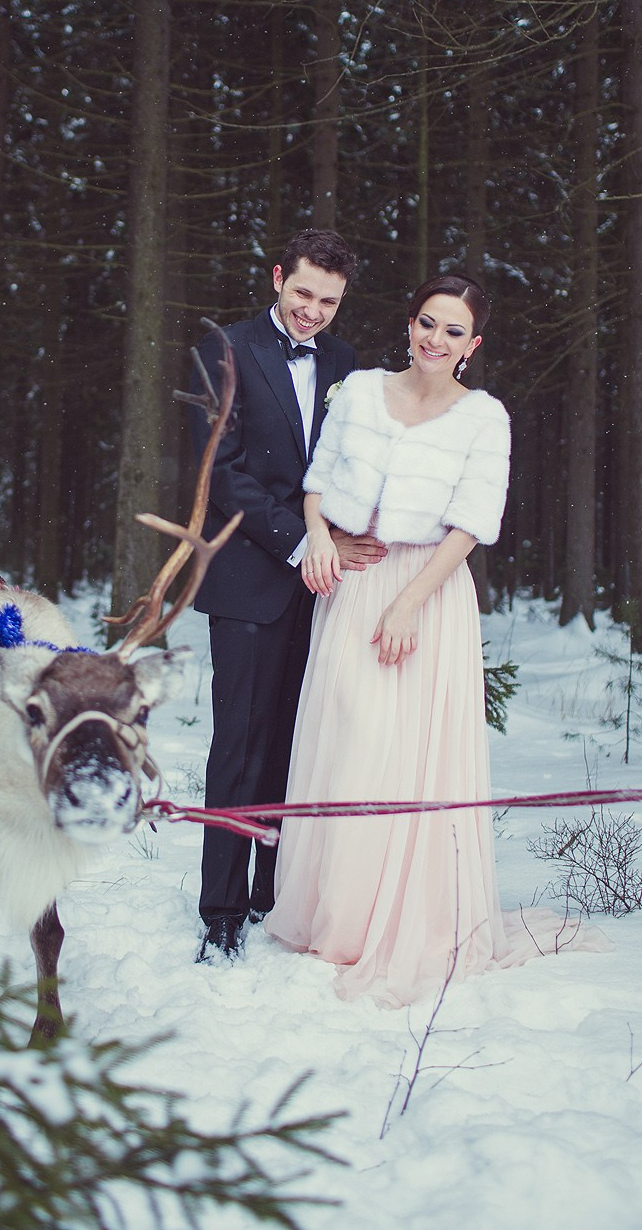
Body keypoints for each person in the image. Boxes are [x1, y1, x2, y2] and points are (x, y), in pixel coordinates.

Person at [267, 273, 577, 1006]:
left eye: (453, 331)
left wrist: (408, 604)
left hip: (429, 595)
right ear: (409, 324)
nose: (436, 340)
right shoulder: (363, 392)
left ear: (474, 345)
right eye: (427, 324)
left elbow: (472, 523)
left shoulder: (484, 419)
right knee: (349, 744)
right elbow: (316, 484)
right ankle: (335, 915)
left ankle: (410, 917)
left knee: (409, 756)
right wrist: (319, 539)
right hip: (353, 582)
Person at [189, 230, 386, 963]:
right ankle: (222, 910)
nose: (311, 313)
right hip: (250, 576)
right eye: (302, 293)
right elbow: (224, 469)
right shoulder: (224, 350)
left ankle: (276, 890)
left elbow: (348, 463)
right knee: (239, 746)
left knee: (297, 747)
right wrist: (304, 543)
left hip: (324, 586)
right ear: (278, 278)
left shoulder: (344, 363)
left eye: (328, 301)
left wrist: (357, 534)